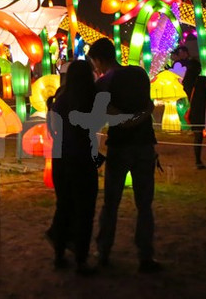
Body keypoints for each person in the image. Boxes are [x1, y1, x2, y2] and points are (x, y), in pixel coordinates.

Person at [87, 38, 161, 273]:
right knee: (145, 204)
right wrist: (144, 113)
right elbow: (148, 104)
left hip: (120, 146)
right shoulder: (139, 73)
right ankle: (145, 255)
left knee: (111, 202)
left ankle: (103, 251)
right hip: (145, 144)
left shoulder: (102, 84)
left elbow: (111, 116)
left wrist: (130, 120)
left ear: (98, 60)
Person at [45, 59, 99, 275]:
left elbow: (54, 128)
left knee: (64, 205)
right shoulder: (88, 99)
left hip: (60, 158)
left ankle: (59, 254)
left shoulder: (61, 99)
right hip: (82, 159)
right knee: (85, 210)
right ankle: (81, 260)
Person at [182, 57, 206, 169]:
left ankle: (198, 160)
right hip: (204, 110)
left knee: (198, 137)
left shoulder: (186, 82)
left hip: (194, 112)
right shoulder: (202, 81)